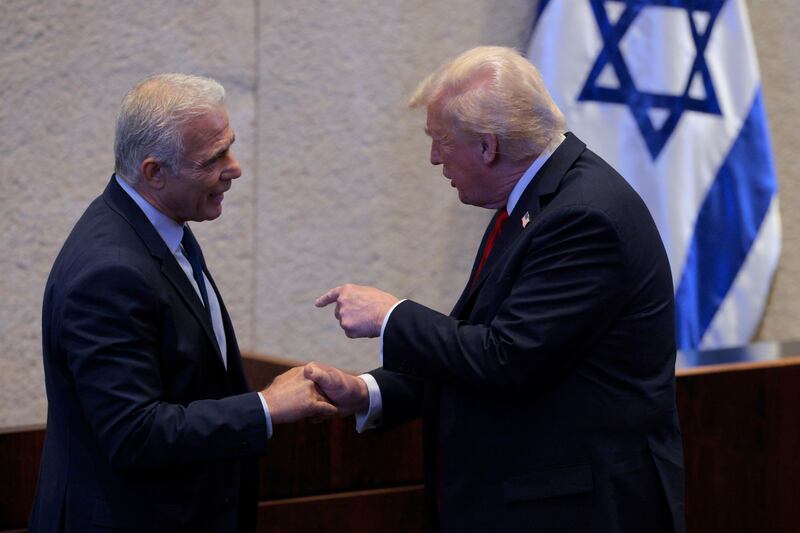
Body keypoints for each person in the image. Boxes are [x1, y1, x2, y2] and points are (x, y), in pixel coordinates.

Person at [310, 46, 685, 532]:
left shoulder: (582, 216)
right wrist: (368, 391)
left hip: (576, 512)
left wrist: (391, 316)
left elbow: (506, 359)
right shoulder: (534, 199)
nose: (433, 158)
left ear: (487, 147)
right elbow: (476, 344)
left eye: (441, 140)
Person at [29, 74, 336, 533]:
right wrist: (265, 406)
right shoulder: (108, 270)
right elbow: (134, 433)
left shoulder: (159, 225)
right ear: (155, 172)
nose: (234, 168)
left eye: (229, 147)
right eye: (214, 158)